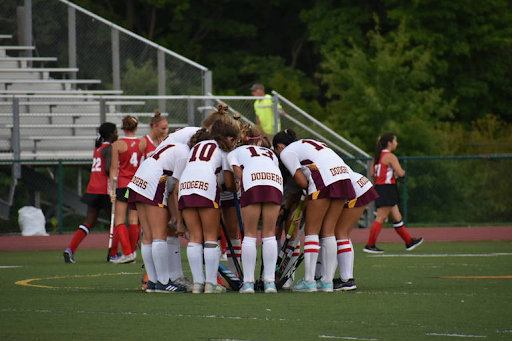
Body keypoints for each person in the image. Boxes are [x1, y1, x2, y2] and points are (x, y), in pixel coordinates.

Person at [273, 129, 356, 292]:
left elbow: (301, 181)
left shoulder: (286, 152)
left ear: (280, 146)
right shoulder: (308, 143)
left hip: (323, 179)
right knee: (328, 231)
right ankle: (327, 282)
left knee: (312, 231)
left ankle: (309, 281)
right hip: (344, 176)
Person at [175, 120, 239, 294]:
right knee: (211, 237)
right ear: (228, 137)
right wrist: (236, 186)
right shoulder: (224, 151)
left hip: (186, 186)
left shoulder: (198, 145)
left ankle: (197, 284)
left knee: (195, 236)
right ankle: (211, 284)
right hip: (205, 186)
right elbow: (227, 182)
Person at [127, 140, 190, 293]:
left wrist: (175, 216)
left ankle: (152, 282)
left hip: (139, 179)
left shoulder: (175, 146)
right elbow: (175, 191)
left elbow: (170, 190)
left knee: (148, 236)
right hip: (155, 180)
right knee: (159, 235)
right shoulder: (186, 154)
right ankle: (163, 282)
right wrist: (180, 223)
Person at [227, 125, 283, 293]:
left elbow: (238, 174)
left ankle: (249, 283)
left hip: (252, 182)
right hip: (274, 182)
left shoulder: (234, 153)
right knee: (269, 234)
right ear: (259, 140)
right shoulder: (271, 153)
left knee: (250, 235)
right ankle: (270, 282)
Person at [63, 122, 118, 263]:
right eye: (116, 132)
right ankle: (113, 254)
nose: (117, 134)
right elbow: (107, 169)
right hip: (104, 190)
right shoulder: (109, 148)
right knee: (116, 222)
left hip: (92, 189)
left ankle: (70, 249)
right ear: (111, 134)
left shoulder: (97, 148)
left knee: (89, 221)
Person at [363, 133, 423, 254]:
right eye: (395, 141)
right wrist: (400, 173)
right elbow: (401, 173)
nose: (396, 143)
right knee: (381, 217)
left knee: (397, 217)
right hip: (387, 188)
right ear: (389, 143)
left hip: (381, 187)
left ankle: (409, 241)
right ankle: (370, 245)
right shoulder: (390, 156)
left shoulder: (377, 156)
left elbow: (371, 173)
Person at [333, 170, 379, 291]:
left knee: (340, 233)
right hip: (357, 183)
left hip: (355, 188)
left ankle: (347, 280)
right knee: (340, 233)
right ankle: (344, 278)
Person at [108, 115, 142, 264]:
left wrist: (111, 189)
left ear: (123, 127)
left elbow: (114, 168)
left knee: (120, 220)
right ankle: (132, 252)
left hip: (124, 185)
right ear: (136, 127)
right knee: (134, 219)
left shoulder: (118, 144)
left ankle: (128, 253)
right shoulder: (142, 143)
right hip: (137, 185)